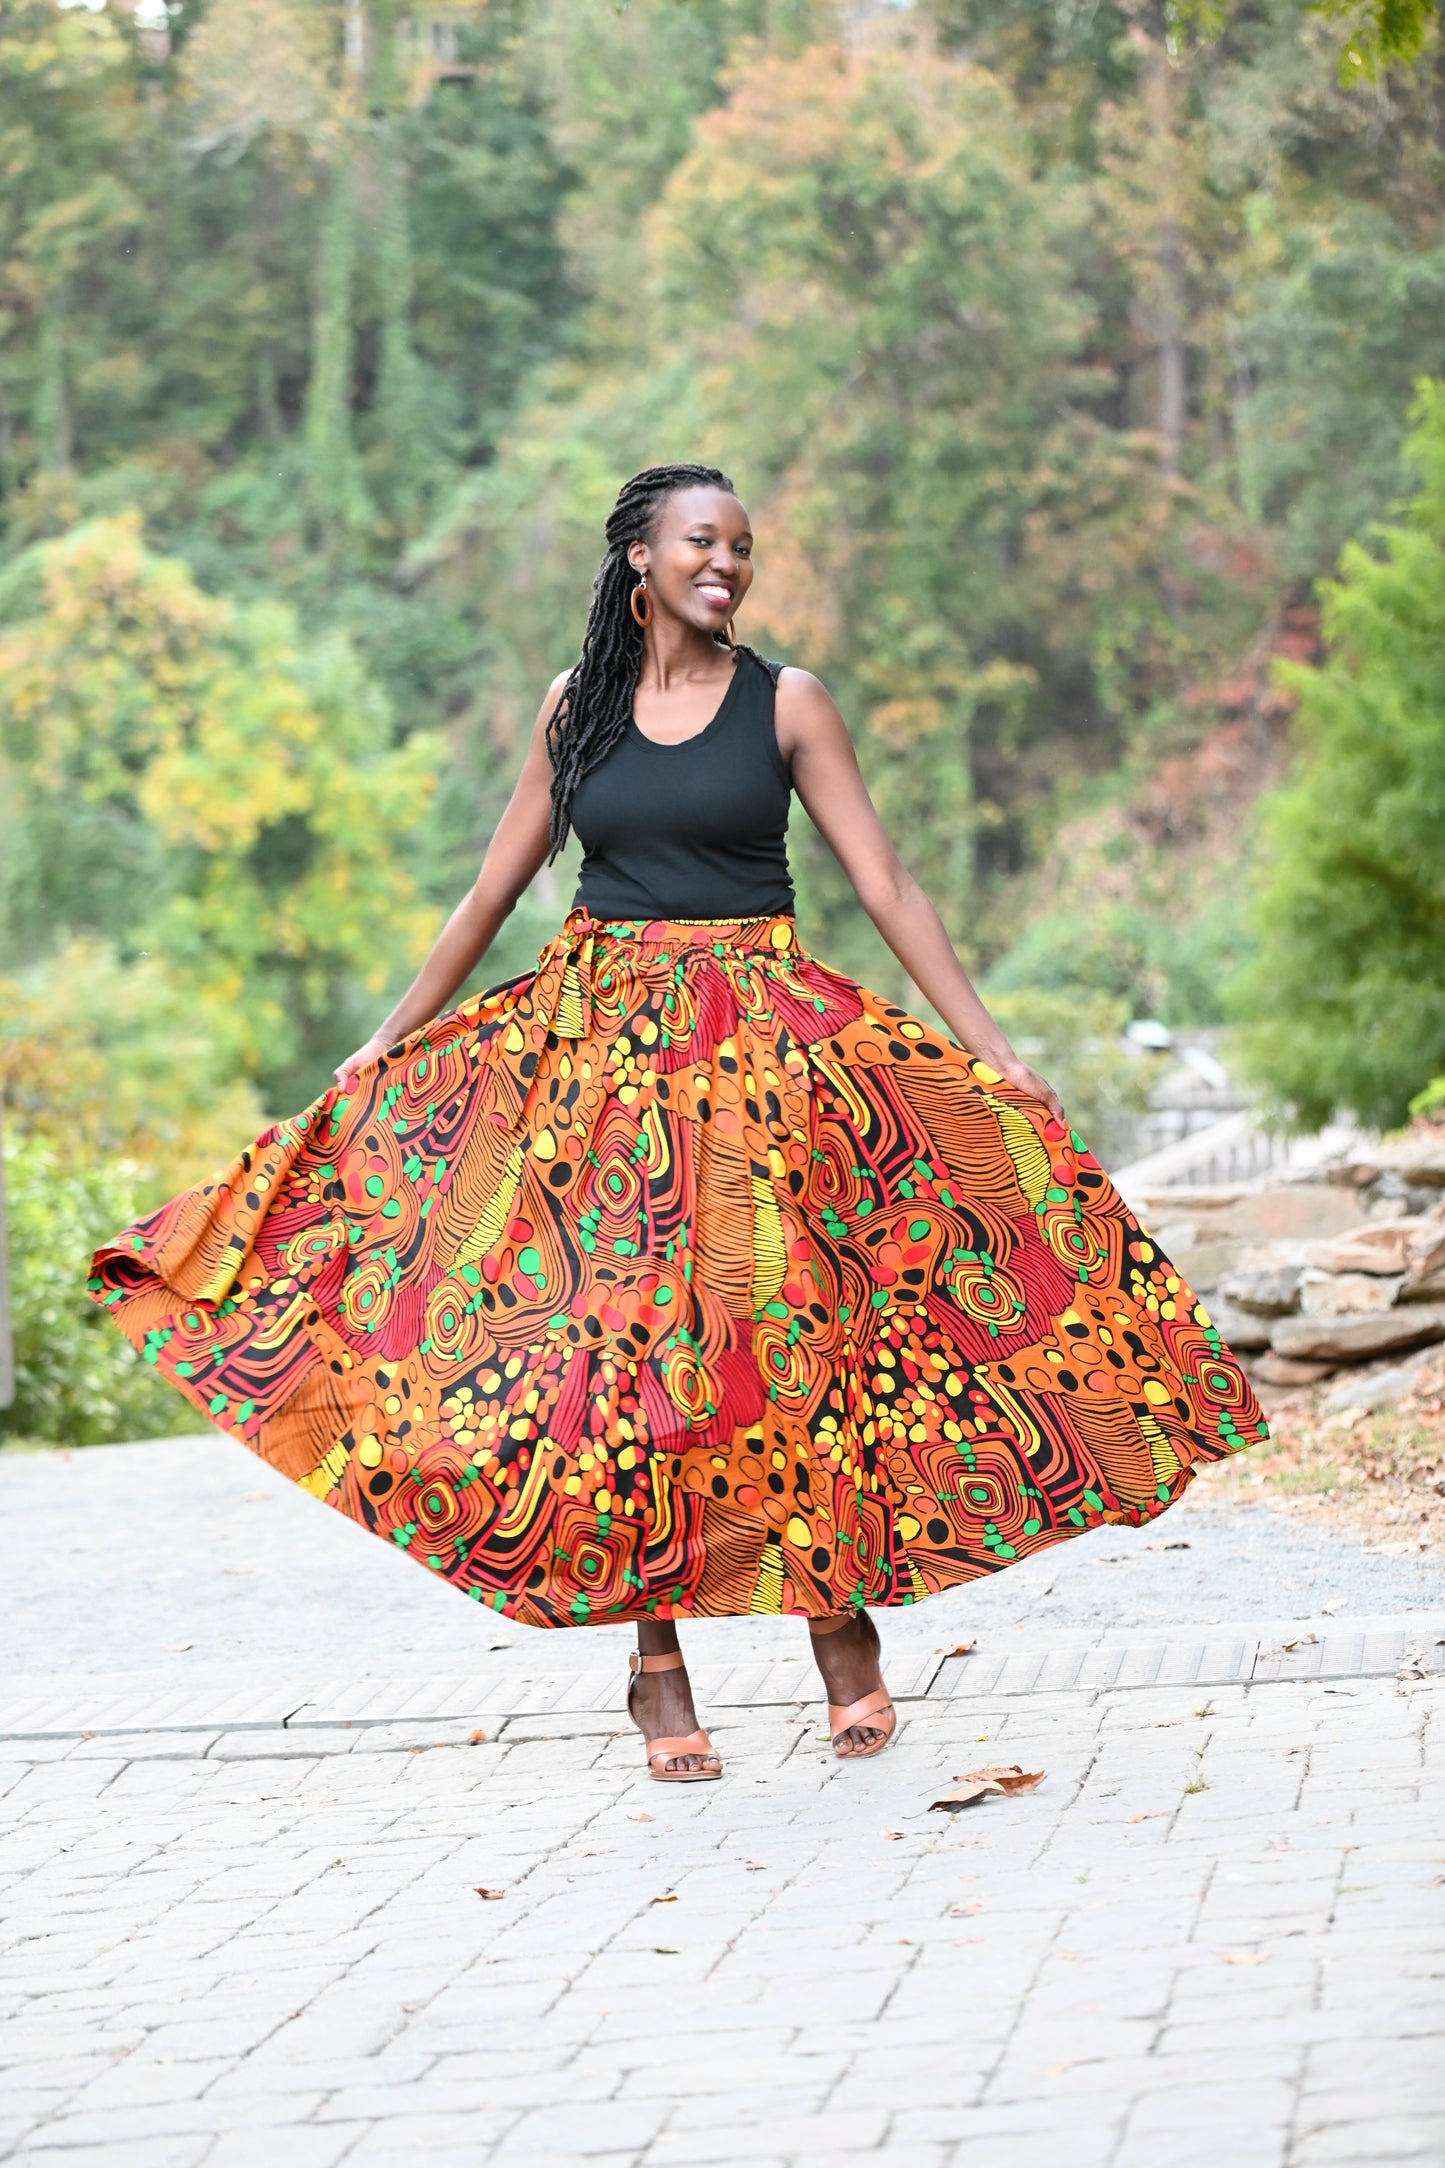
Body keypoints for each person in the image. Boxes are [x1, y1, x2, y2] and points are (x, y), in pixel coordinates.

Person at [90, 461, 1266, 1783]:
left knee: (789, 1343)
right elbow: (493, 889)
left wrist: (991, 1051)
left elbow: (883, 878)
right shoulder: (574, 708)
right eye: (703, 543)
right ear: (638, 559)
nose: (729, 564)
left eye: (743, 547)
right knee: (622, 1368)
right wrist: (389, 1036)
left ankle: (839, 1632)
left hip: (762, 1056)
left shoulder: (788, 702)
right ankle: (655, 1663)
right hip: (599, 1064)